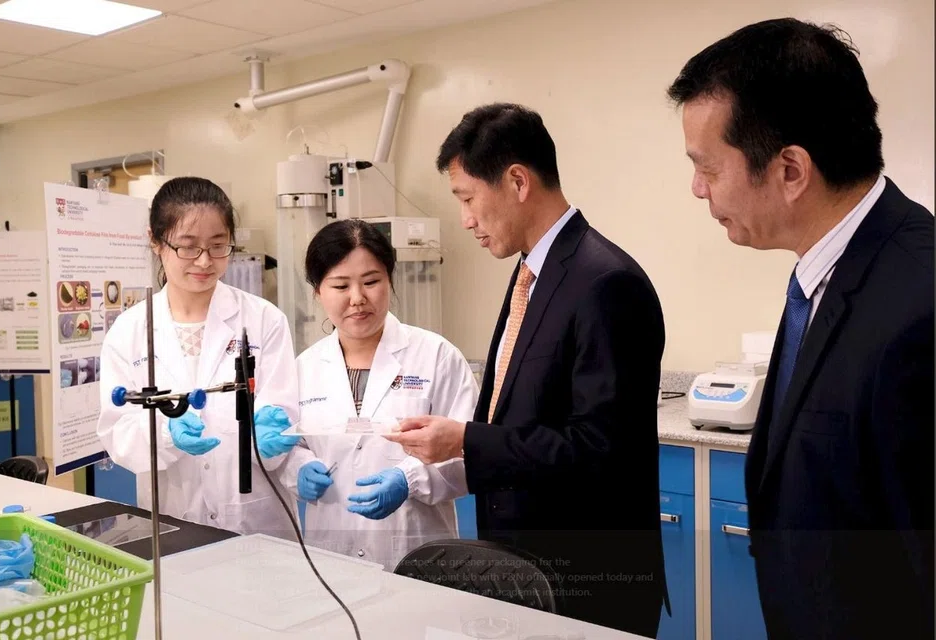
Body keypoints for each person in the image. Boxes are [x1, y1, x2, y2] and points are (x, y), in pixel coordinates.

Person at [667, 18, 934, 640]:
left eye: (708, 167)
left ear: (790, 170)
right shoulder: (827, 274)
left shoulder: (918, 305)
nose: (697, 189)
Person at [386, 103, 668, 637]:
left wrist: (466, 439)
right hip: (522, 569)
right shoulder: (532, 274)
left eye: (467, 198)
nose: (465, 220)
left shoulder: (605, 282)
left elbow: (599, 449)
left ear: (517, 181)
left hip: (587, 579)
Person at [97, 177, 303, 540]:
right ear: (156, 241)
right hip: (172, 519)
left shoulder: (263, 320)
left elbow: (281, 414)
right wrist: (167, 433)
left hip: (256, 519)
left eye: (218, 246)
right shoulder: (129, 330)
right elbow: (118, 432)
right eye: (189, 247)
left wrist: (271, 434)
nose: (205, 261)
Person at [288, 218, 479, 571]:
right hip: (331, 556)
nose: (357, 298)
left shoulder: (437, 356)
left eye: (371, 281)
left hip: (417, 552)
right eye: (340, 285)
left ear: (390, 280)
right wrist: (298, 469)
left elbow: (469, 453)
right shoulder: (304, 368)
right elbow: (289, 446)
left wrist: (409, 479)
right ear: (318, 292)